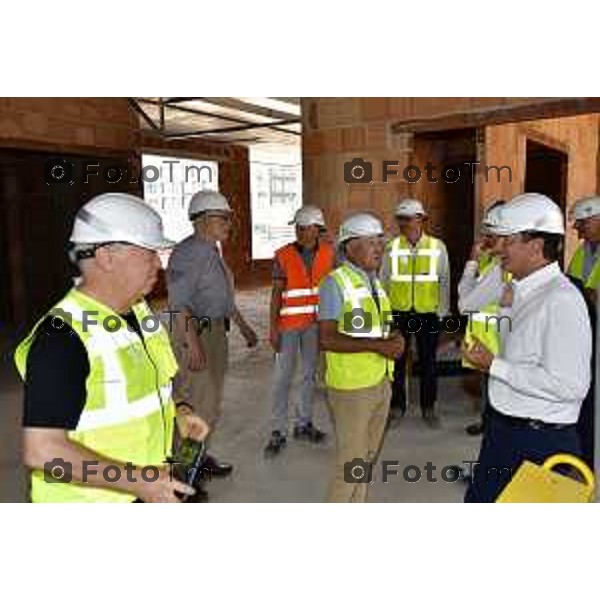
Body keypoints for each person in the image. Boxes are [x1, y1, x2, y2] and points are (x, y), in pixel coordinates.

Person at [15, 193, 209, 503]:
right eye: (149, 252)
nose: (158, 264)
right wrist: (140, 481)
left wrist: (180, 411)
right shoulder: (62, 336)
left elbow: (150, 381)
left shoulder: (138, 310)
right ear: (106, 256)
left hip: (140, 491)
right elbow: (43, 450)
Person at [463, 193, 592, 503]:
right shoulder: (519, 290)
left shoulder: (561, 300)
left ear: (536, 246)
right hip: (504, 430)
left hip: (539, 442)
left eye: (508, 241)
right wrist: (505, 314)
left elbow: (570, 386)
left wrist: (493, 366)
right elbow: (514, 349)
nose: (498, 250)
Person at [166, 190, 258, 483]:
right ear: (202, 220)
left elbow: (222, 297)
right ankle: (182, 476)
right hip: (195, 334)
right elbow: (178, 304)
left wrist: (243, 326)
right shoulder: (188, 253)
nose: (229, 223)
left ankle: (198, 459)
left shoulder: (210, 250)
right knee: (196, 406)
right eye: (223, 218)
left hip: (215, 332)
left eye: (228, 218)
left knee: (210, 404)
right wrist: (192, 344)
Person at [318, 213, 405, 502]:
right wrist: (378, 346)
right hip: (352, 389)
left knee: (365, 459)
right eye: (371, 242)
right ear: (350, 246)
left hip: (380, 381)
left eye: (381, 242)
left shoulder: (375, 283)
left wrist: (395, 336)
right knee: (351, 464)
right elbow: (327, 338)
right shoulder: (335, 283)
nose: (379, 248)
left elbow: (385, 323)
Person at [264, 205, 335, 456]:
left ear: (318, 229)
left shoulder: (330, 254)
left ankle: (303, 424)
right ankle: (277, 430)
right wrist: (272, 328)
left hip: (315, 326)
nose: (301, 232)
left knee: (307, 376)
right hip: (289, 326)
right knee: (282, 378)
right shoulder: (283, 255)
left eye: (305, 228)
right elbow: (276, 294)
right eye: (298, 227)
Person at [381, 199, 450, 427]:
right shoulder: (391, 247)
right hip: (399, 313)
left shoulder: (437, 247)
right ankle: (397, 406)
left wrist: (442, 313)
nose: (404, 224)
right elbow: (384, 281)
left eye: (408, 218)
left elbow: (444, 281)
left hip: (428, 313)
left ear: (421, 219)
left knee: (429, 362)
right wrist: (385, 315)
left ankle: (428, 407)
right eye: (400, 219)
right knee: (397, 362)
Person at [458, 200, 508, 436]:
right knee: (489, 390)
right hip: (490, 339)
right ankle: (488, 424)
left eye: (491, 233)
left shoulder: (499, 269)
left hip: (494, 341)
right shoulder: (496, 262)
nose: (486, 238)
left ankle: (491, 429)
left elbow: (464, 303)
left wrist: (471, 261)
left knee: (495, 392)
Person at [566, 195, 600, 467]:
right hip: (585, 333)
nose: (577, 230)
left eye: (582, 223)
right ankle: (584, 457)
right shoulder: (582, 252)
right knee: (585, 396)